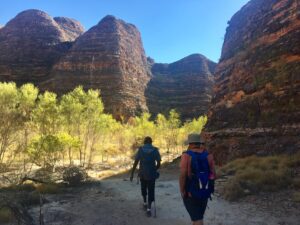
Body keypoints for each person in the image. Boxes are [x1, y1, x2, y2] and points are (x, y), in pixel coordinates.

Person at [179, 133, 216, 225]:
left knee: (197, 220)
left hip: (191, 192)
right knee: (199, 217)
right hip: (205, 191)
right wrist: (207, 184)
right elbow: (214, 174)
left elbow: (183, 175)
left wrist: (182, 190)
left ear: (190, 144)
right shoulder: (208, 155)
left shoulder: (186, 156)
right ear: (199, 143)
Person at [130, 136, 161, 217]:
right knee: (151, 190)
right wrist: (154, 169)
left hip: (142, 174)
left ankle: (144, 202)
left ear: (144, 142)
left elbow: (136, 162)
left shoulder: (140, 150)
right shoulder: (155, 150)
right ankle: (149, 209)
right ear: (151, 142)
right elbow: (159, 164)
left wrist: (132, 173)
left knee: (143, 188)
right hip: (151, 174)